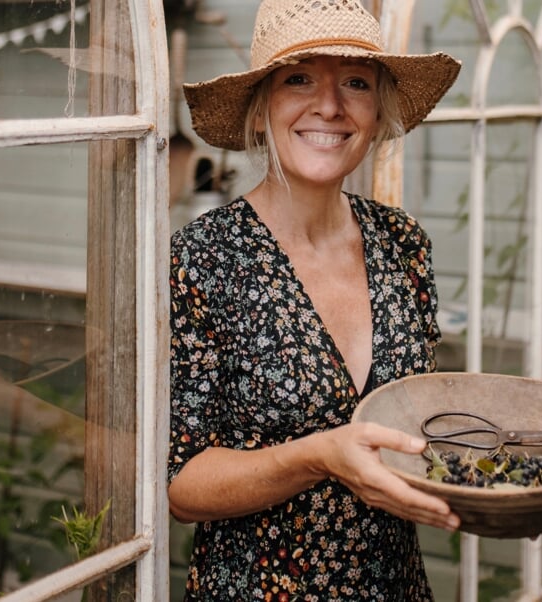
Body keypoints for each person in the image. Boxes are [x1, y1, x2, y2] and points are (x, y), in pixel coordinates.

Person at [167, 0, 462, 599]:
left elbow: (411, 417)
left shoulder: (403, 243)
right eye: (298, 78)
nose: (329, 106)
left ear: (378, 112)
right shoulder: (203, 257)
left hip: (395, 586)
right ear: (260, 109)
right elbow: (183, 487)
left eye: (355, 82)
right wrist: (322, 455)